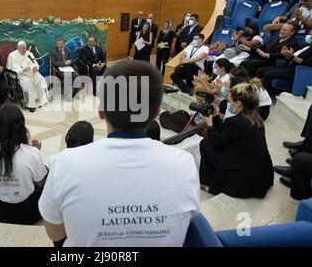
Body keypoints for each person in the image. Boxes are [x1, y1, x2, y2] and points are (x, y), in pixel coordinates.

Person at [39, 60, 199, 247]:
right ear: (156, 113)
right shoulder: (184, 164)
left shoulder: (63, 164)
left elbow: (55, 234)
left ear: (101, 111)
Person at [199, 83, 274, 198]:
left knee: (206, 144)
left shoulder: (236, 121)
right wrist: (215, 117)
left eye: (231, 101)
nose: (230, 103)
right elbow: (227, 134)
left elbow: (218, 144)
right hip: (260, 172)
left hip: (241, 176)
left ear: (239, 103)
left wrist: (209, 125)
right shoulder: (256, 118)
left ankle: (207, 181)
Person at [0, 104, 47, 225]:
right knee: (47, 173)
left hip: (0, 211)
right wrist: (35, 154)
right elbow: (40, 183)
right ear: (21, 127)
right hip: (28, 213)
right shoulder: (31, 153)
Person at [256, 27, 312, 92]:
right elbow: (292, 56)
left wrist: (292, 56)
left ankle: (263, 96)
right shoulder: (306, 45)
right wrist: (287, 54)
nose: (308, 36)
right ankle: (254, 91)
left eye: (311, 35)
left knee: (268, 73)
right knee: (260, 70)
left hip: (296, 71)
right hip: (288, 67)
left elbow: (310, 63)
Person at [7, 41, 48, 112]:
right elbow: (13, 68)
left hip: (32, 73)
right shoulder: (12, 55)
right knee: (28, 83)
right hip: (21, 75)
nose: (25, 50)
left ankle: (41, 101)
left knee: (41, 79)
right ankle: (31, 105)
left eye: (25, 48)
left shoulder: (29, 53)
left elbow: (34, 63)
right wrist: (22, 69)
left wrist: (35, 68)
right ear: (18, 48)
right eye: (23, 48)